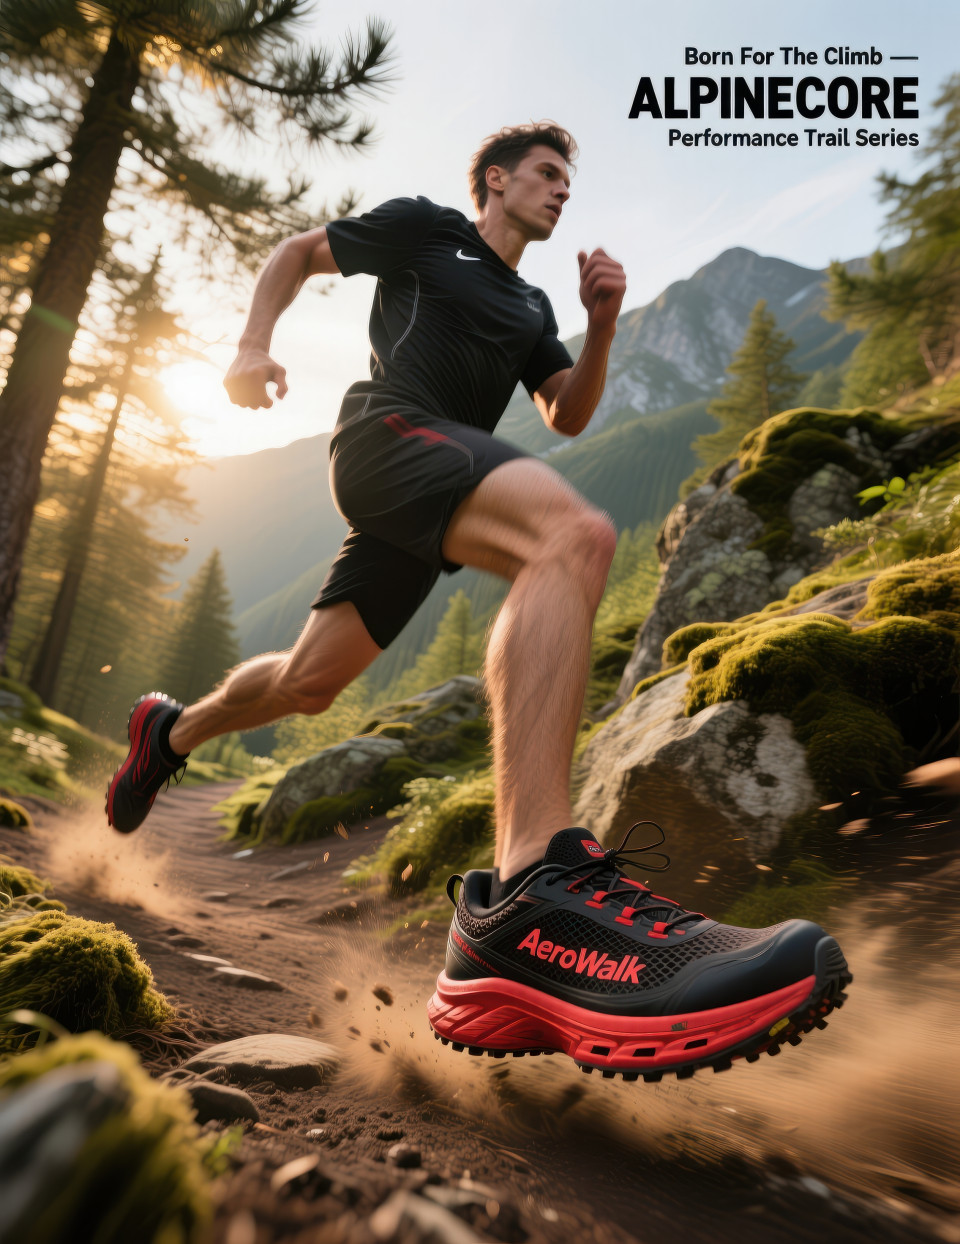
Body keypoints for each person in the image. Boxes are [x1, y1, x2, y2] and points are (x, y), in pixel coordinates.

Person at [107, 122, 850, 1077]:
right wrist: (251, 346)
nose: (560, 191)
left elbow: (566, 414)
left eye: (567, 182)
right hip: (387, 438)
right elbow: (299, 253)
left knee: (308, 683)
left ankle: (168, 734)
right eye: (546, 174)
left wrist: (604, 321)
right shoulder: (425, 230)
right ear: (494, 182)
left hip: (435, 486)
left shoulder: (532, 301)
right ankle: (531, 884)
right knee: (573, 536)